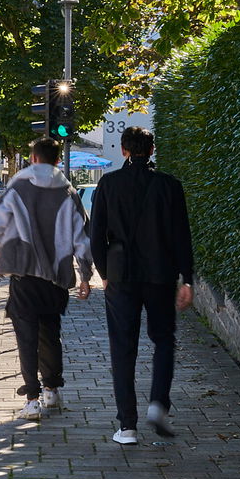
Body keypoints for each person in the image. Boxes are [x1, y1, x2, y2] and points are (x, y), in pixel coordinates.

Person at [88, 126, 195, 445]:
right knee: (163, 339)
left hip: (121, 273)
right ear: (152, 151)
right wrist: (187, 278)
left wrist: (103, 272)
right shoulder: (170, 186)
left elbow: (96, 234)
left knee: (123, 347)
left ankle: (127, 426)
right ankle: (158, 404)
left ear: (123, 151)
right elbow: (182, 236)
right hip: (161, 272)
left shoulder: (108, 183)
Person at [0, 137, 92, 420]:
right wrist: (85, 275)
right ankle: (52, 390)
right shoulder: (68, 192)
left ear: (32, 159)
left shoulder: (18, 187)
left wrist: (3, 251)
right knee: (51, 332)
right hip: (56, 276)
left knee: (26, 336)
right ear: (58, 160)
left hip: (24, 274)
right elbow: (82, 237)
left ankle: (31, 399)